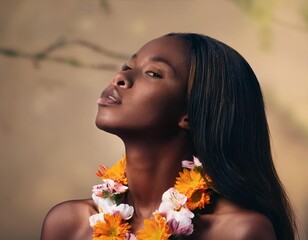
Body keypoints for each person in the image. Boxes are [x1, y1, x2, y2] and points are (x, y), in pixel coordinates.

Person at [41, 33, 297, 240]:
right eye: (127, 66)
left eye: (153, 73)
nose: (120, 77)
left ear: (190, 114)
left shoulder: (237, 232)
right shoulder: (68, 224)